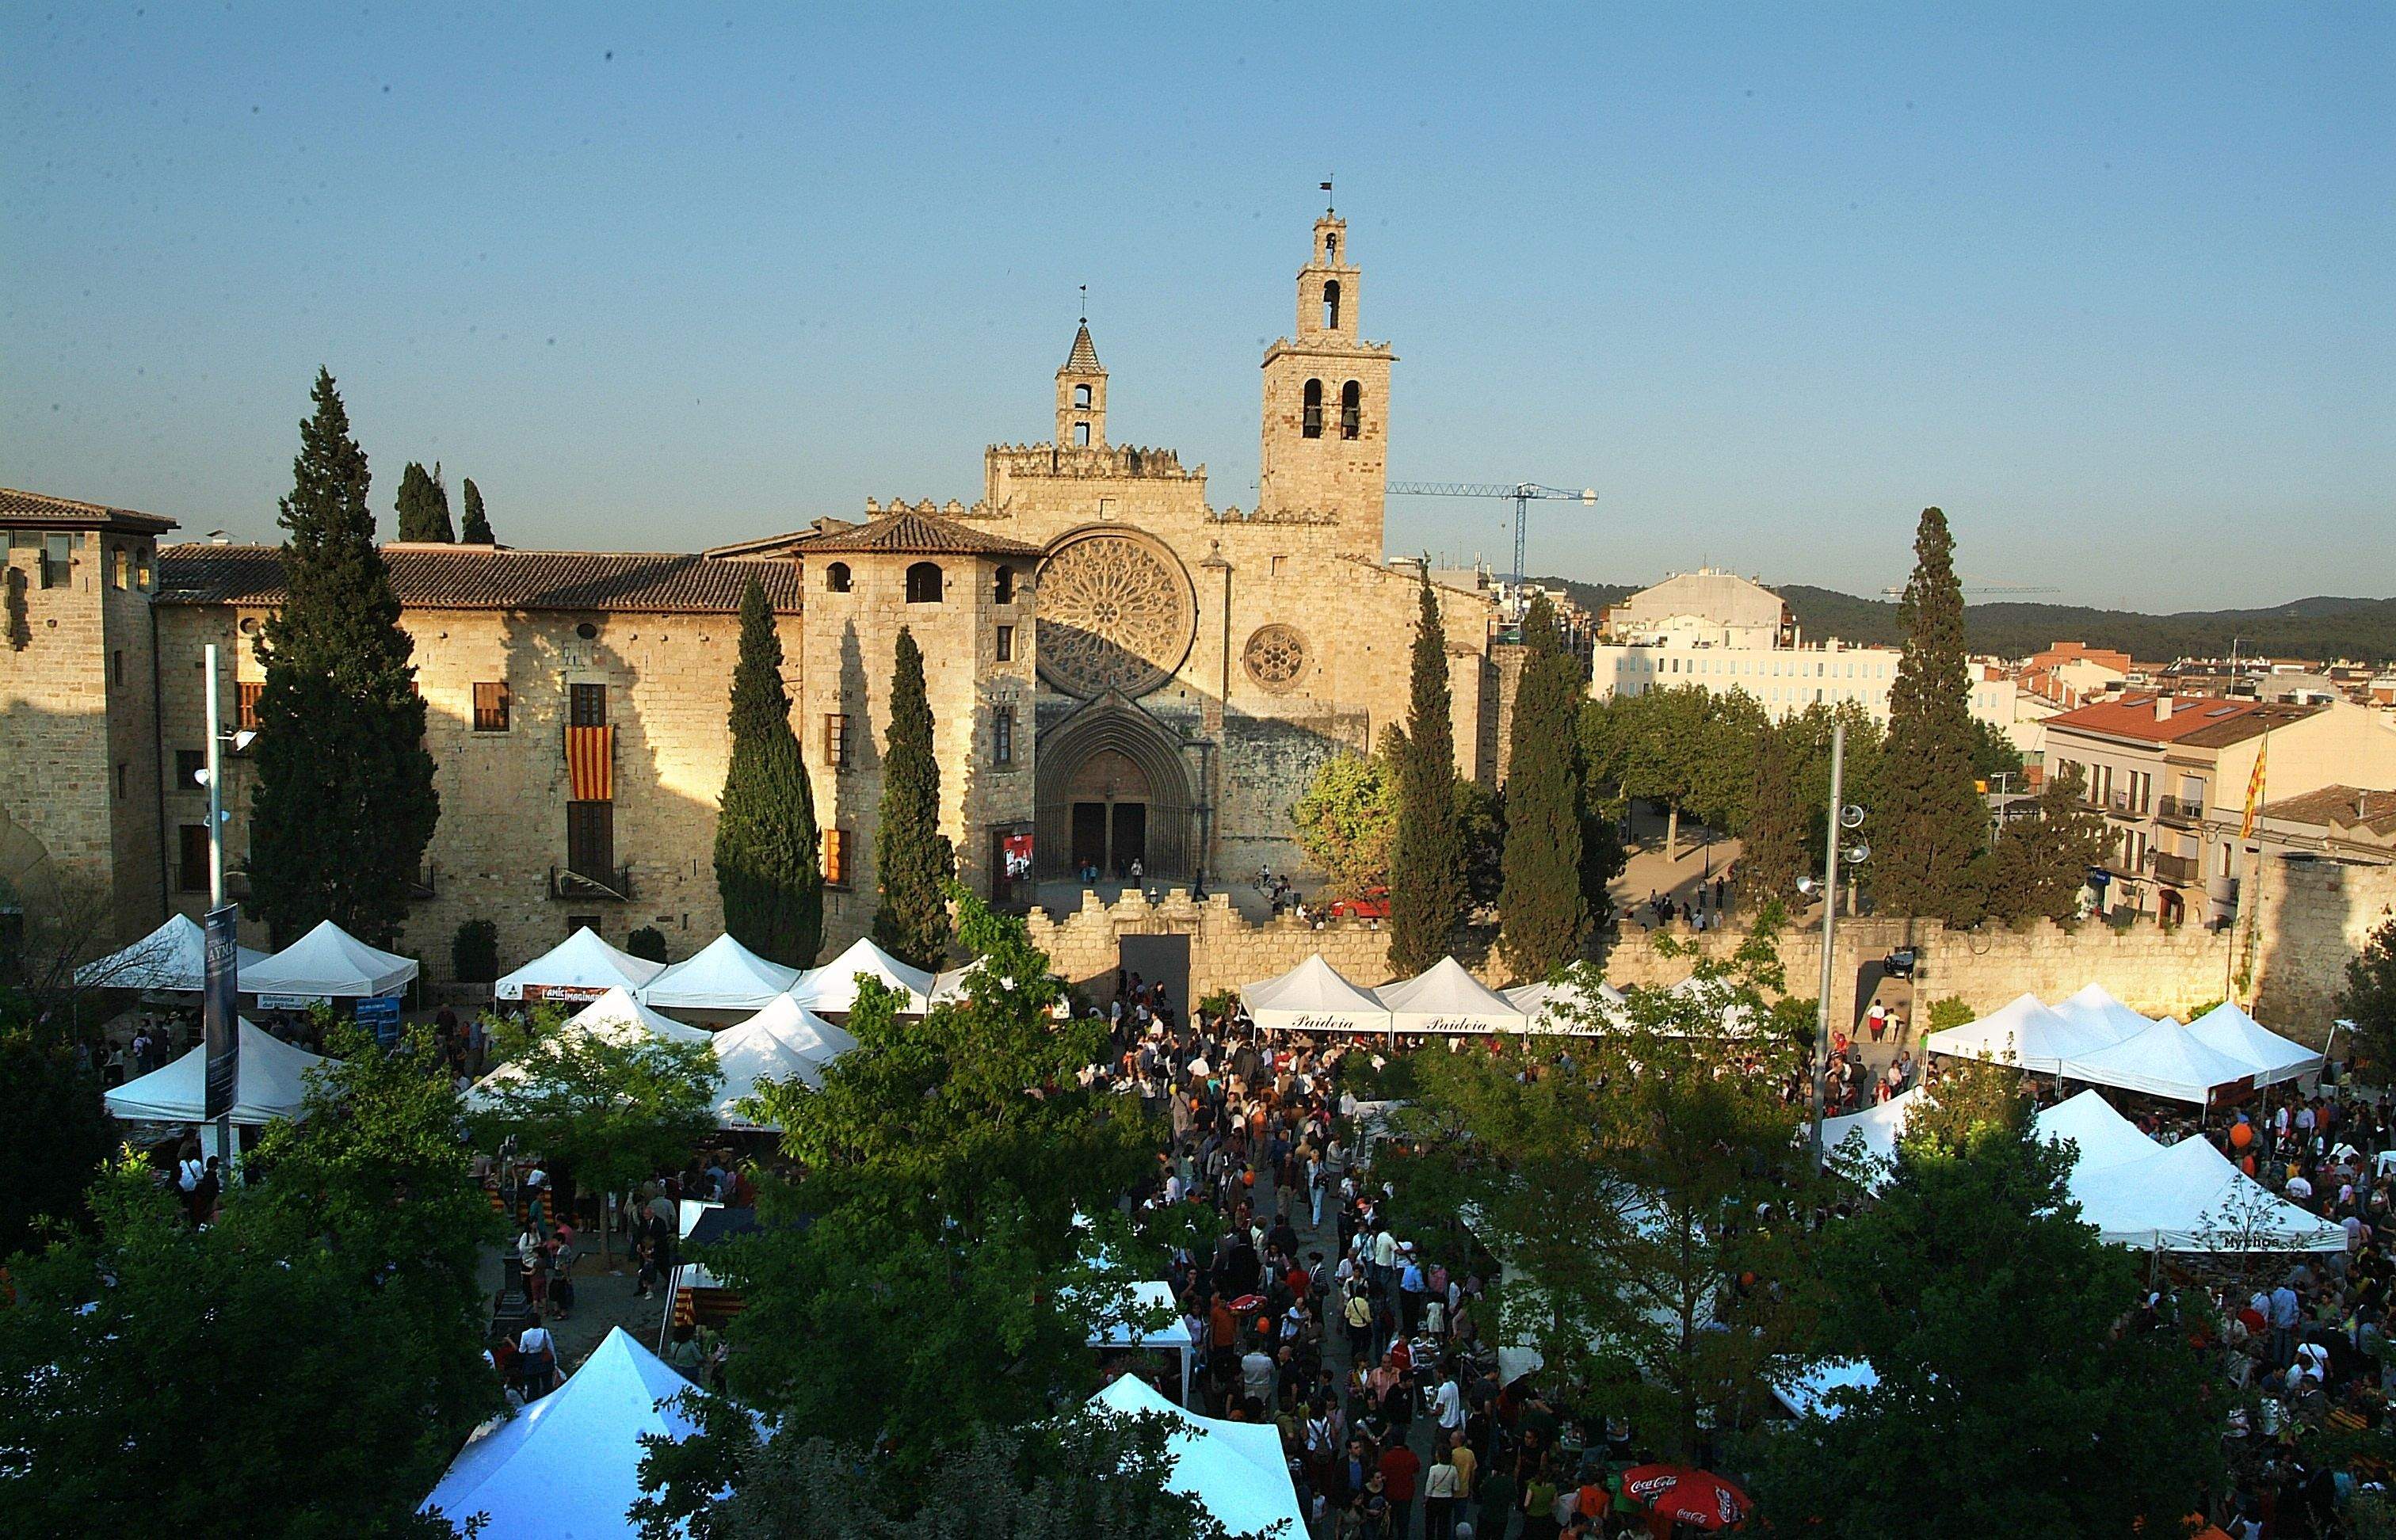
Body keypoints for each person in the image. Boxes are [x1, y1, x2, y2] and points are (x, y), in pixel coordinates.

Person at [516, 1317, 559, 1401]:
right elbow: (550, 1347)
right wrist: (555, 1361)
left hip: (531, 1362)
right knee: (547, 1385)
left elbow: (522, 1350)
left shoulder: (525, 1334)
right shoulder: (544, 1332)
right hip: (544, 1360)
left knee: (533, 1387)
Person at [1424, 1446, 1461, 1540]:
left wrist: (1426, 1499)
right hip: (1447, 1499)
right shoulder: (1453, 1469)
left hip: (1434, 1498)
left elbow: (1429, 1487)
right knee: (1444, 1525)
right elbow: (1456, 1487)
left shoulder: (1434, 1469)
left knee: (1430, 1524)